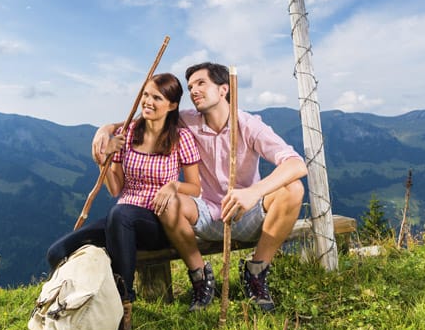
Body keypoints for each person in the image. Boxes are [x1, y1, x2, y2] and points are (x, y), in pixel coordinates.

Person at [93, 62, 307, 313]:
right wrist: (105, 130)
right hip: (204, 213)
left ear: (224, 90)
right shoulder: (187, 120)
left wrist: (253, 192)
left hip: (246, 212)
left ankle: (256, 271)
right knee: (167, 200)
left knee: (293, 189)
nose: (193, 90)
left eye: (201, 83)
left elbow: (296, 164)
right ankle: (200, 277)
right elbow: (145, 119)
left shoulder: (249, 125)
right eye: (191, 86)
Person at [48, 72, 201, 330]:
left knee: (120, 214)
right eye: (145, 95)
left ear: (172, 105)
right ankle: (80, 302)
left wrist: (173, 186)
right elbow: (116, 188)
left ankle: (123, 304)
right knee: (58, 252)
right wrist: (103, 159)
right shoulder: (128, 133)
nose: (148, 102)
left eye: (157, 97)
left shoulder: (181, 138)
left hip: (159, 221)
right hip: (122, 220)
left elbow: (195, 188)